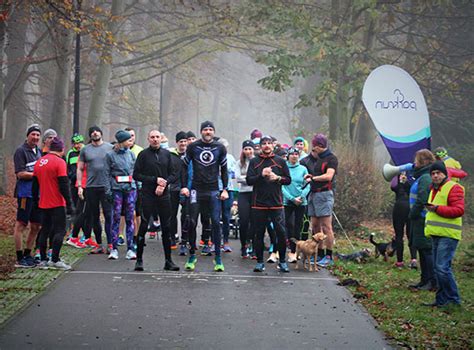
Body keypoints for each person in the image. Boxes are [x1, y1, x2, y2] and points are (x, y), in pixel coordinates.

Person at [181, 121, 229, 272]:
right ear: (201, 132)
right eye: (205, 129)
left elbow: (224, 169)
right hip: (196, 190)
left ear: (213, 132)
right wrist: (184, 186)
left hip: (214, 190)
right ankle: (192, 255)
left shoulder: (220, 147)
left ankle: (218, 258)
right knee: (192, 222)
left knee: (215, 221)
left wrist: (225, 189)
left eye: (210, 129)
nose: (208, 132)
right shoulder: (193, 147)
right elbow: (184, 167)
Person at [133, 130, 179, 271]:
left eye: (157, 137)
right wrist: (154, 180)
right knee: (144, 225)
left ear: (161, 139)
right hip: (147, 194)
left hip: (164, 195)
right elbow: (136, 175)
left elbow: (174, 173)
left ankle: (168, 261)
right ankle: (139, 260)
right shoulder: (143, 155)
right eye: (152, 137)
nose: (155, 140)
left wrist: (164, 182)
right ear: (148, 139)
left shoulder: (167, 155)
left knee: (166, 226)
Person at [247, 135, 291, 273]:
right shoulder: (255, 161)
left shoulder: (280, 161)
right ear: (260, 146)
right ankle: (260, 262)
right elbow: (249, 180)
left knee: (281, 232)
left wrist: (277, 178)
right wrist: (261, 175)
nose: (267, 145)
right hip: (258, 203)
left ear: (273, 145)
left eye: (269, 143)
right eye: (264, 143)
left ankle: (282, 261)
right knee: (259, 233)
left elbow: (288, 180)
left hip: (276, 203)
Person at [423, 161, 465, 307]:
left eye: (438, 173)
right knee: (438, 268)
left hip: (448, 234)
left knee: (442, 268)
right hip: (436, 233)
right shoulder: (433, 189)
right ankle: (441, 300)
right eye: (433, 173)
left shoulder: (454, 188)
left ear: (444, 174)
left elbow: (459, 210)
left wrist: (437, 209)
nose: (435, 176)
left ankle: (453, 300)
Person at [32, 137, 73, 269]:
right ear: (61, 149)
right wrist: (69, 203)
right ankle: (55, 259)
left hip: (43, 202)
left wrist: (35, 200)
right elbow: (64, 185)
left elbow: (35, 185)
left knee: (45, 230)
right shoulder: (60, 162)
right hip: (57, 203)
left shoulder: (39, 162)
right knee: (59, 231)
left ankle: (43, 259)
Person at [301, 133, 338, 268]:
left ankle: (329, 255)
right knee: (315, 225)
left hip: (324, 194)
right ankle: (319, 253)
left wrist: (314, 179)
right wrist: (312, 176)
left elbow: (329, 176)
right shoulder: (319, 158)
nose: (313, 149)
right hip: (313, 194)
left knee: (326, 227)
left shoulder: (331, 158)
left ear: (320, 146)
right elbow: (319, 175)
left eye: (314, 146)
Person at [77, 126, 114, 254]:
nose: (95, 133)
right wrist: (80, 185)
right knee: (94, 217)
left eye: (97, 131)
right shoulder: (85, 150)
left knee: (109, 215)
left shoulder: (110, 147)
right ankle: (99, 244)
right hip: (91, 187)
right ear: (90, 135)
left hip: (106, 186)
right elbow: (80, 168)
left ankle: (110, 244)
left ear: (101, 133)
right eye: (92, 132)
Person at [13, 124, 43, 268]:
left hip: (37, 194)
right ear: (27, 135)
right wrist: (37, 175)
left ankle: (27, 254)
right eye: (33, 134)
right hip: (25, 193)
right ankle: (19, 258)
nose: (36, 137)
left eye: (38, 135)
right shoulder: (20, 151)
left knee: (36, 226)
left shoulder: (38, 151)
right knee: (21, 224)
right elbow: (20, 173)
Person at [105, 130, 137, 260]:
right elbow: (106, 174)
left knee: (130, 217)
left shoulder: (132, 155)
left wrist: (137, 184)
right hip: (116, 189)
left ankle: (130, 248)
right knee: (116, 217)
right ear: (121, 141)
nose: (131, 142)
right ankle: (114, 248)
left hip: (130, 189)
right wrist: (108, 190)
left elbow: (135, 171)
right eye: (128, 140)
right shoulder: (110, 155)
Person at [408, 149, 436, 291]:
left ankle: (431, 281)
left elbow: (422, 199)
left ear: (423, 162)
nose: (414, 162)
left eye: (416, 160)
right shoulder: (422, 176)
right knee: (422, 250)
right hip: (418, 218)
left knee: (426, 251)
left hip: (421, 218)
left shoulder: (425, 178)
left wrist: (413, 213)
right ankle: (424, 280)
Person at [283, 147, 310, 263]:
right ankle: (291, 249)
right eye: (292, 154)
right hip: (288, 201)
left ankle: (296, 251)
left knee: (298, 226)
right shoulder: (284, 168)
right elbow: (281, 186)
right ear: (288, 156)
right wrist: (292, 198)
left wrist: (301, 197)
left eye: (296, 154)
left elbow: (308, 184)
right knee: (289, 225)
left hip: (301, 201)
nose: (294, 156)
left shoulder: (303, 169)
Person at [391, 172, 417, 269]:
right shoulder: (414, 176)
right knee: (411, 234)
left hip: (399, 206)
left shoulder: (397, 175)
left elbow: (393, 186)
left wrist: (399, 178)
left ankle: (400, 262)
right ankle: (414, 259)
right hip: (410, 206)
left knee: (399, 235)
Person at [169, 131, 189, 255]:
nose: (183, 143)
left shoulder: (189, 155)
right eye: (181, 141)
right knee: (172, 214)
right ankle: (172, 237)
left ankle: (184, 239)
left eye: (184, 141)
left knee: (186, 215)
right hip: (173, 188)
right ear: (177, 142)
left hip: (186, 188)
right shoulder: (171, 155)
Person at [235, 140, 255, 258]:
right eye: (246, 149)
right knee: (243, 221)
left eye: (250, 149)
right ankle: (243, 245)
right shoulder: (239, 163)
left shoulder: (257, 161)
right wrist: (250, 178)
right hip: (243, 193)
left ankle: (252, 244)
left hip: (255, 193)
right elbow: (237, 178)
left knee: (254, 221)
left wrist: (247, 178)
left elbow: (258, 178)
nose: (248, 151)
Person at [218, 138, 238, 253]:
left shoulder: (230, 158)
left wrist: (227, 170)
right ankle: (214, 241)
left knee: (226, 216)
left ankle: (225, 242)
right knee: (215, 217)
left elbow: (234, 174)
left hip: (228, 189)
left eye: (225, 147)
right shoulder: (213, 156)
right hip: (215, 188)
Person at [66, 133, 84, 211]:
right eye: (75, 144)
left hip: (84, 182)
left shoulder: (86, 151)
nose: (77, 146)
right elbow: (68, 166)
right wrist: (71, 176)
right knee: (75, 204)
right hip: (73, 183)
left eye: (78, 143)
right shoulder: (70, 153)